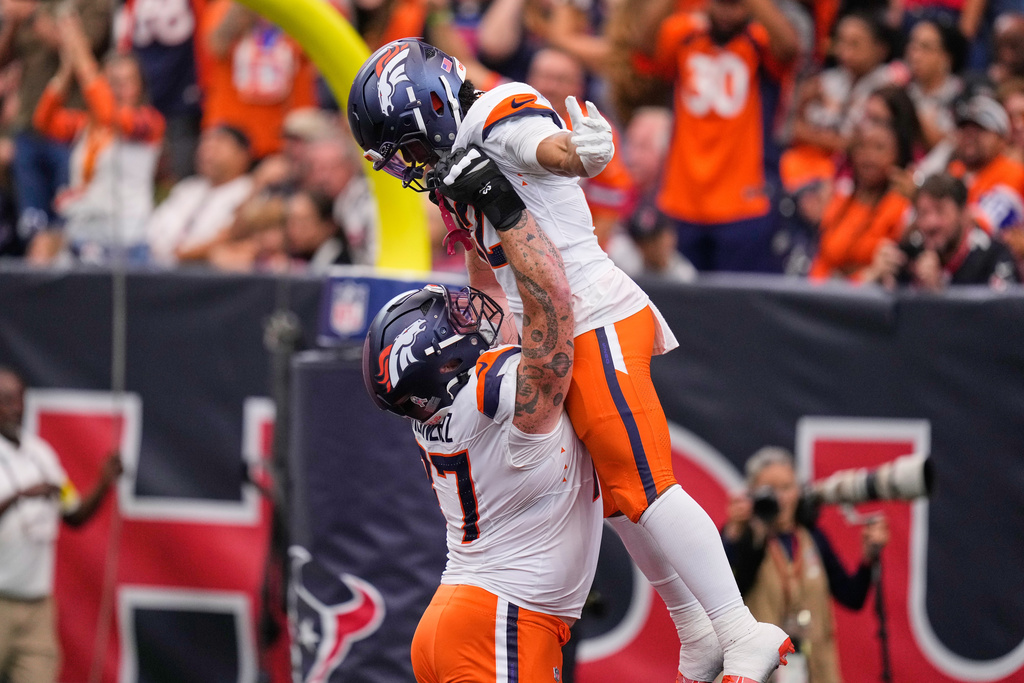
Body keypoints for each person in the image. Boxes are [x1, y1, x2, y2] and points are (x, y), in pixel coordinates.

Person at [350, 39, 794, 683]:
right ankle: (699, 626)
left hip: (594, 316)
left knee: (644, 488)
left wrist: (583, 151)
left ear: (437, 103)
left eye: (409, 149)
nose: (412, 167)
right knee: (619, 497)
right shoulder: (457, 165)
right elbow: (486, 262)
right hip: (560, 330)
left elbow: (545, 149)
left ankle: (739, 627)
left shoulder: (497, 109)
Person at [361, 204, 602, 681]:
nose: (470, 316)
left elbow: (490, 289)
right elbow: (552, 308)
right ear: (441, 360)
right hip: (500, 621)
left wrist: (467, 215)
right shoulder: (494, 392)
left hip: (468, 614)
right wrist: (507, 213)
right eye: (456, 321)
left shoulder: (442, 407)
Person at [634, 0, 801, 272]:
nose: (727, 11)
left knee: (736, 306)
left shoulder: (759, 40)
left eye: (734, 4)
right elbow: (644, 46)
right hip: (682, 197)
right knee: (682, 307)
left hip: (743, 201)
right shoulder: (684, 33)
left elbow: (790, 50)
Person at [723, 447, 889, 683]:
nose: (779, 498)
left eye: (786, 488)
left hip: (814, 672)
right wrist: (735, 535)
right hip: (758, 673)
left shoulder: (813, 539)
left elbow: (853, 597)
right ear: (751, 493)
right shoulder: (744, 538)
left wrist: (868, 558)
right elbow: (729, 592)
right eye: (769, 490)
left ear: (799, 492)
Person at [0, 367, 122, 682]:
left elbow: (74, 514)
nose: (15, 408)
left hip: (37, 606)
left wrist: (103, 481)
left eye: (19, 399)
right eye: (6, 400)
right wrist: (19, 496)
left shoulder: (41, 455)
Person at [32, 12, 165, 265]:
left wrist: (82, 54)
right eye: (112, 82)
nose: (118, 89)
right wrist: (68, 67)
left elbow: (109, 115)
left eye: (126, 82)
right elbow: (45, 121)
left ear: (140, 87)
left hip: (127, 241)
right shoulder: (86, 124)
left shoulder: (149, 122)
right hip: (84, 238)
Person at [0, 0, 113, 263]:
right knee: (33, 224)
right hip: (30, 125)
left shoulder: (92, 4)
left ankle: (66, 289)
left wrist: (31, 14)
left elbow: (79, 50)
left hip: (72, 126)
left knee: (69, 222)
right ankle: (33, 286)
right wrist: (14, 23)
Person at [197, 0, 317, 159]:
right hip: (233, 142)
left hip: (288, 140)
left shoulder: (307, 7)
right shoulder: (224, 6)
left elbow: (320, 52)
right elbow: (216, 46)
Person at [864, 173, 1022, 289]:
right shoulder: (909, 254)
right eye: (923, 213)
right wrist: (873, 278)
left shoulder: (994, 256)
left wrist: (939, 294)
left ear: (965, 214)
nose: (931, 223)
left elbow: (1003, 325)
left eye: (941, 211)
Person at [809, 121, 912, 281]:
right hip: (823, 293)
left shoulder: (903, 208)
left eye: (879, 148)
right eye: (862, 147)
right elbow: (823, 259)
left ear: (897, 157)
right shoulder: (840, 198)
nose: (869, 156)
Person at [146, 123, 253, 265]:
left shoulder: (248, 191)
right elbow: (154, 227)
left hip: (205, 274)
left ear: (242, 154)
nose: (207, 151)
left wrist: (181, 256)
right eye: (205, 144)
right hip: (155, 267)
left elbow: (232, 236)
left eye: (218, 145)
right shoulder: (187, 188)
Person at [946, 93, 1024, 235]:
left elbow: (979, 228)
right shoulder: (954, 170)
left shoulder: (1013, 173)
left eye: (979, 130)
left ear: (1002, 139)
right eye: (964, 129)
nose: (969, 136)